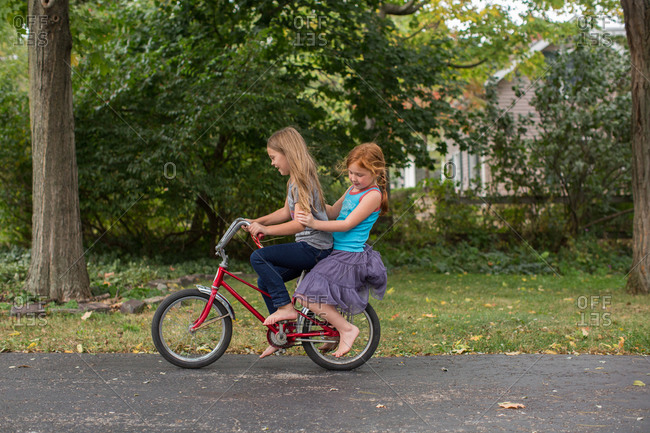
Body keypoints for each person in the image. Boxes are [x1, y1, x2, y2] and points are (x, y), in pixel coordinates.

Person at [244, 127, 333, 358]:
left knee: (259, 257)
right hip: (309, 246)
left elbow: (300, 225)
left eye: (274, 157)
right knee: (264, 281)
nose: (273, 163)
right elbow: (286, 212)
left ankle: (285, 309)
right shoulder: (294, 181)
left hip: (314, 247)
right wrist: (256, 221)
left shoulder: (301, 181)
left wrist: (266, 229)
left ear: (288, 153)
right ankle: (281, 333)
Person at [294, 142, 388, 358]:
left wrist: (313, 223)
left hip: (348, 256)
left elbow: (346, 224)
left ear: (376, 172)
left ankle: (347, 330)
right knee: (318, 294)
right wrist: (311, 201)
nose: (354, 178)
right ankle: (334, 332)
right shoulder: (353, 189)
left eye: (360, 174)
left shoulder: (373, 195)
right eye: (351, 173)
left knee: (307, 296)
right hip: (335, 250)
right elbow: (333, 212)